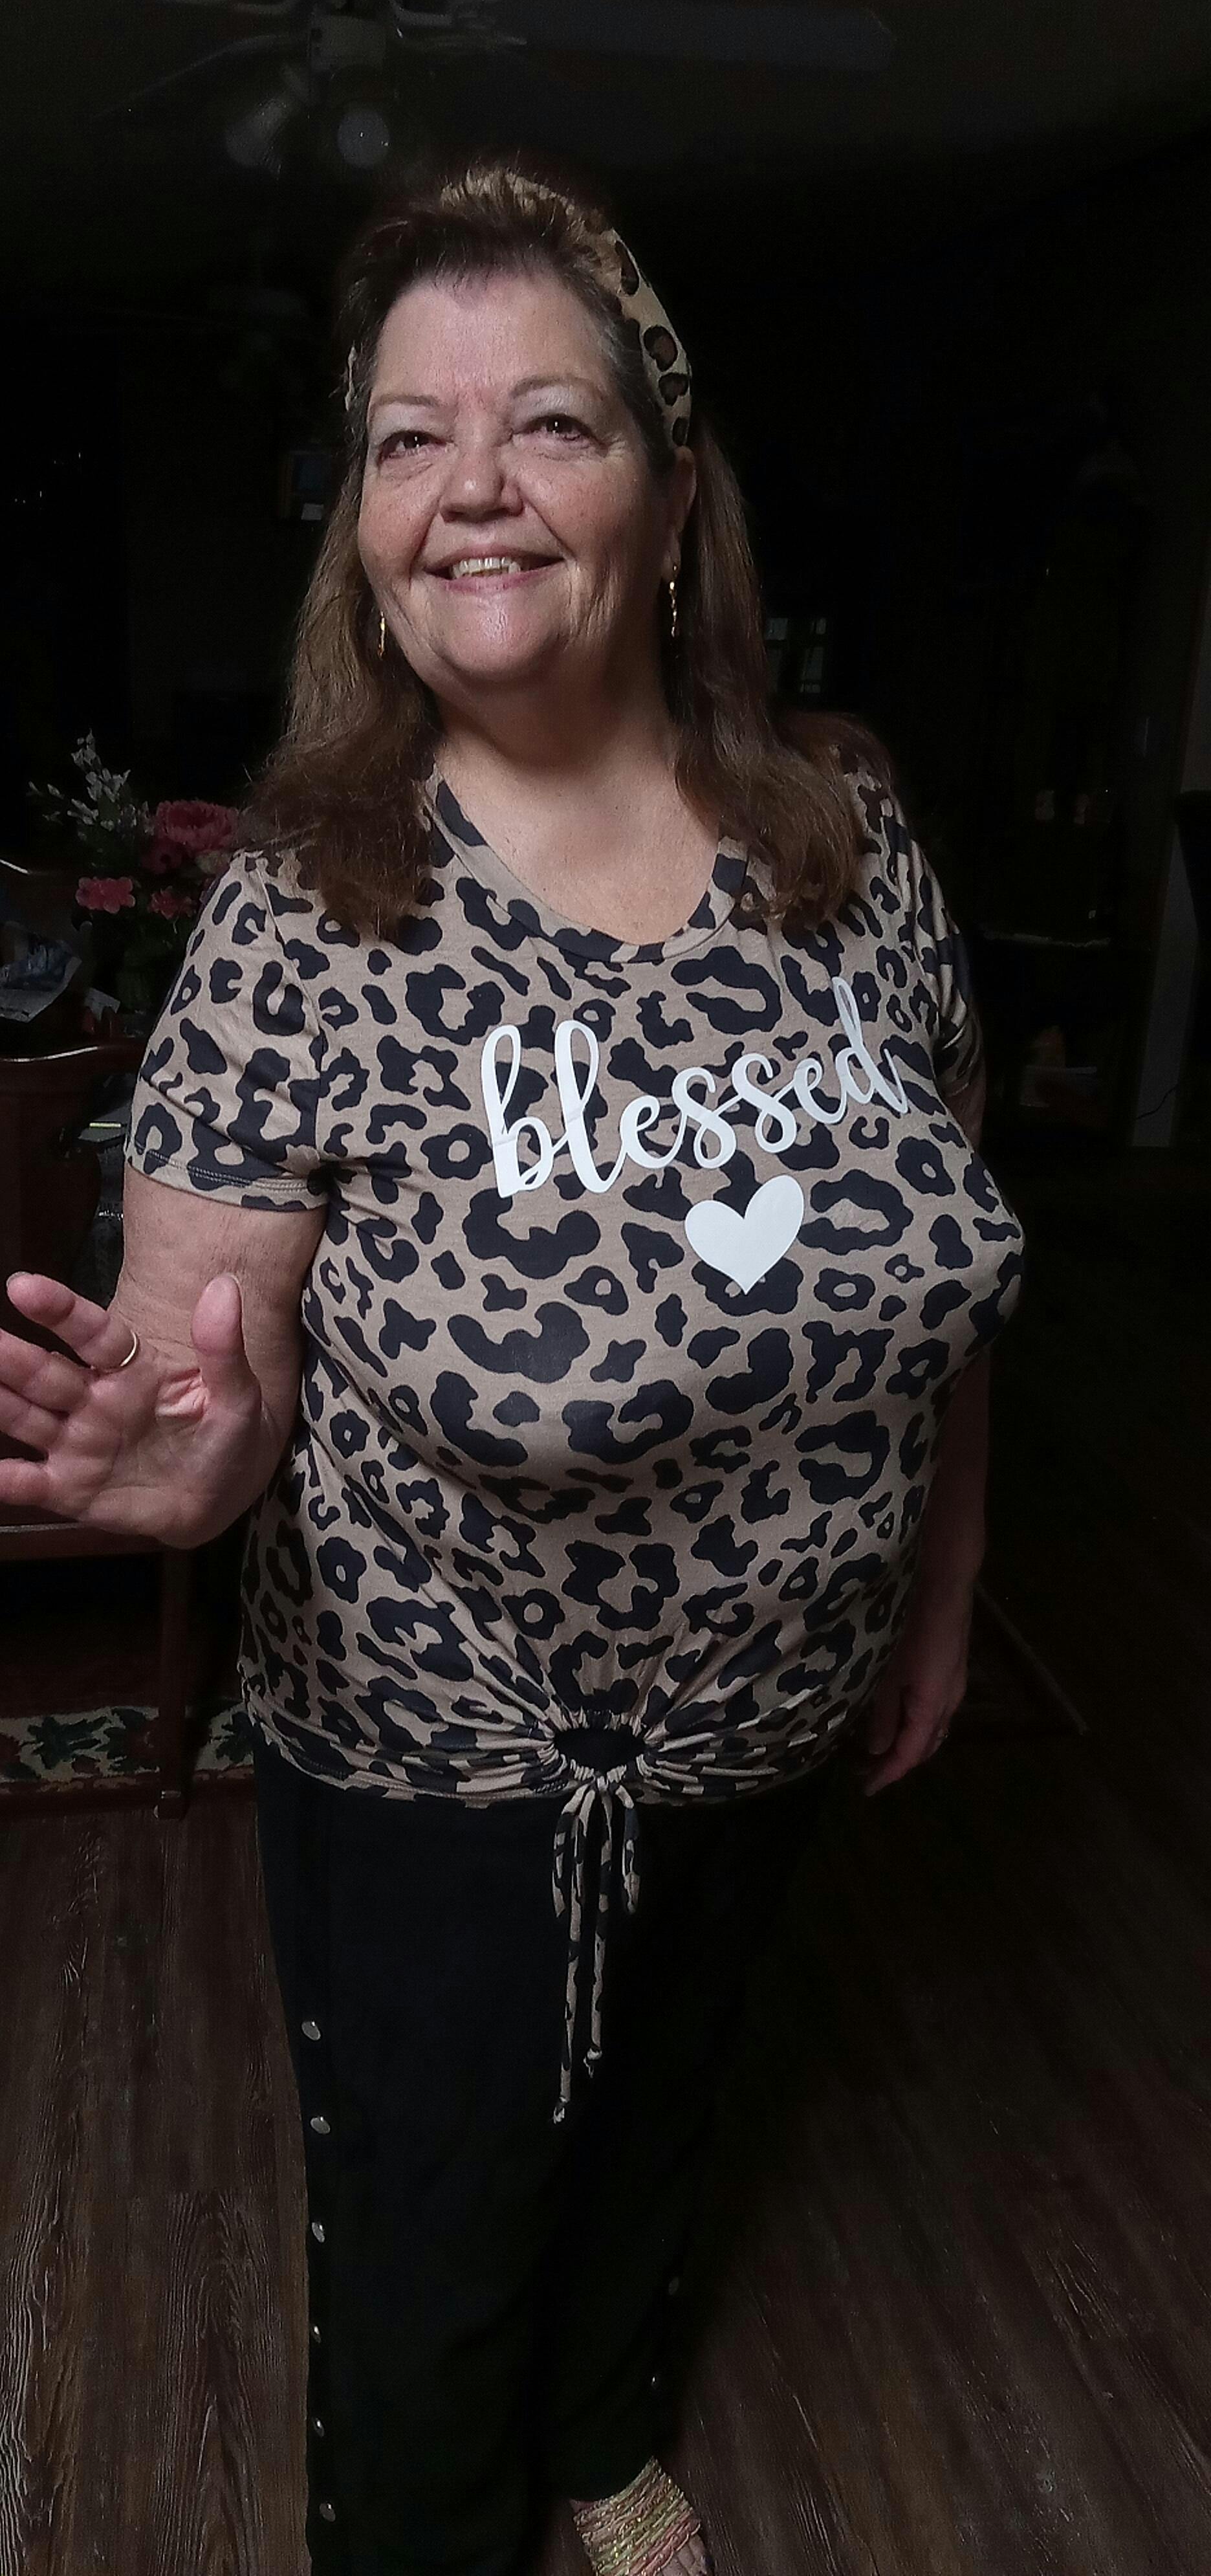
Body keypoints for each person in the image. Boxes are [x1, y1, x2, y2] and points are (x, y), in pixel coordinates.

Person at [0, 157, 1025, 2576]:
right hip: (440, 1749)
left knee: (670, 2111)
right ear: (362, 536)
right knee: (436, 2210)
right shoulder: (304, 910)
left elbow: (945, 1263)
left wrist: (946, 1582)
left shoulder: (853, 854)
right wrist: (172, 1470)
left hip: (769, 1705)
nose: (471, 485)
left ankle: (603, 2432)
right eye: (406, 438)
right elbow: (204, 1394)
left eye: (548, 422)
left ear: (668, 500)